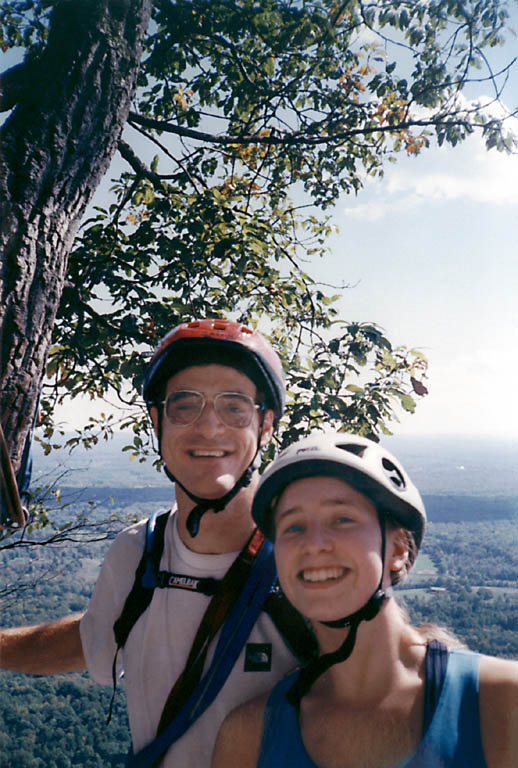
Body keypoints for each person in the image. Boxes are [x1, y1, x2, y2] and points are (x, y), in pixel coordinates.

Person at [0, 319, 313, 767]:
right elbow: (91, 638)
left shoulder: (306, 556)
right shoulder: (137, 553)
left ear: (265, 425)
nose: (208, 427)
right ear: (156, 421)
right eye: (185, 405)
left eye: (234, 407)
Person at [213, 430, 518, 768]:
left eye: (342, 519)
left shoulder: (500, 702)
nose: (314, 544)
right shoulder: (249, 736)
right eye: (293, 527)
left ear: (399, 549)